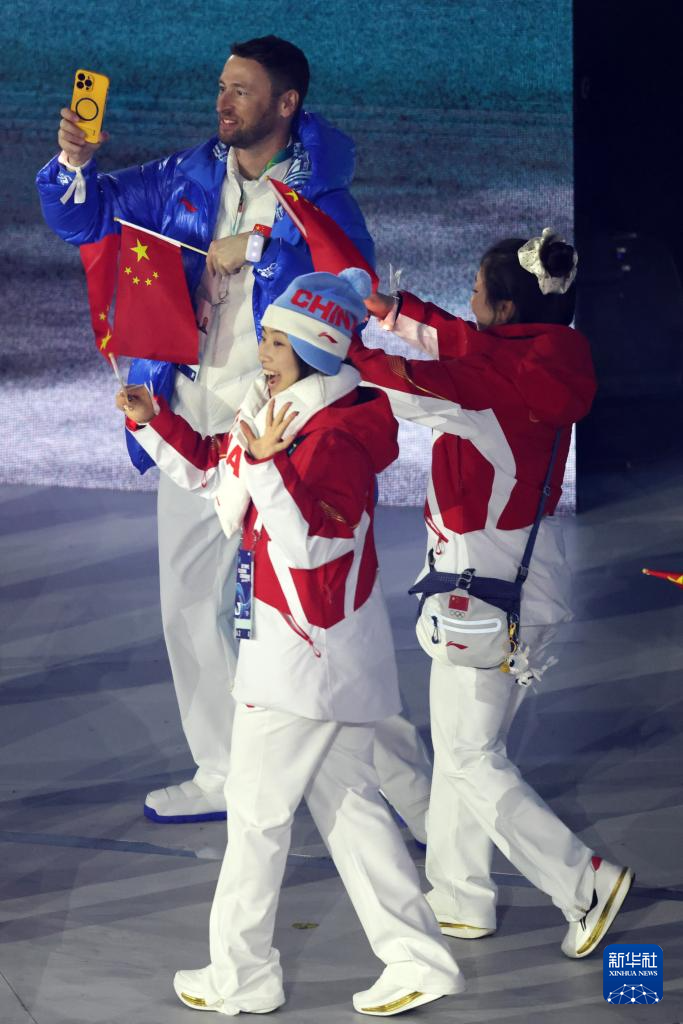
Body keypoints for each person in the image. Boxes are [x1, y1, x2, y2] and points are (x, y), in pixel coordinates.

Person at [35, 35, 432, 834]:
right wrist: (74, 164)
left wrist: (249, 247)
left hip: (285, 431)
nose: (223, 102)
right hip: (191, 416)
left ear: (286, 103)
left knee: (319, 624)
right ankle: (221, 769)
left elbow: (350, 286)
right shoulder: (181, 178)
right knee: (189, 604)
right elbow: (85, 219)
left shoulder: (322, 194)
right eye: (221, 86)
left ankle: (415, 796)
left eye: (242, 90)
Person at [114, 268, 464, 1016]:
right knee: (351, 811)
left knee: (255, 816)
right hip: (311, 654)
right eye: (266, 337)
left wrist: (268, 467)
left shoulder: (333, 437)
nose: (262, 351)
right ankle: (418, 960)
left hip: (302, 658)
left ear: (316, 349)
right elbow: (220, 468)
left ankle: (241, 976)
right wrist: (154, 420)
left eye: (275, 341)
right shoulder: (281, 413)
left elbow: (313, 549)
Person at [347, 229, 635, 959]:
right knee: (464, 748)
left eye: (477, 293)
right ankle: (459, 896)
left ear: (506, 309)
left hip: (479, 590)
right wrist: (394, 311)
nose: (469, 303)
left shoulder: (493, 383)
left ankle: (584, 883)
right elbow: (460, 342)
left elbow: (406, 384)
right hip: (515, 582)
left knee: (471, 756)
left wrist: (333, 343)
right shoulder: (543, 358)